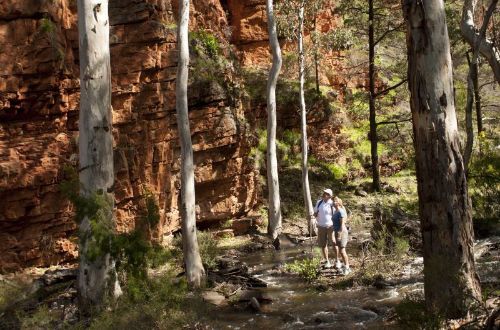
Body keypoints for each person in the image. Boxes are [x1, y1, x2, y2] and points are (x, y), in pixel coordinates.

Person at [313, 188, 335, 268]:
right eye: (324, 193)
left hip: (331, 226)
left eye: (326, 193)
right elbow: (315, 212)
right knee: (323, 245)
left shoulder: (332, 204)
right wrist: (314, 215)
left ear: (329, 196)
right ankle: (327, 261)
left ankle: (337, 260)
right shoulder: (319, 203)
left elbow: (336, 215)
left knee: (334, 242)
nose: (324, 194)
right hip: (321, 226)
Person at [332, 197, 351, 275]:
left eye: (335, 201)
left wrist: (339, 235)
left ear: (339, 203)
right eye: (333, 201)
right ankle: (345, 266)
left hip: (342, 232)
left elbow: (342, 225)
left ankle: (347, 267)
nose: (333, 202)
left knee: (342, 251)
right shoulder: (335, 211)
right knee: (340, 250)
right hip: (337, 232)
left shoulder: (340, 211)